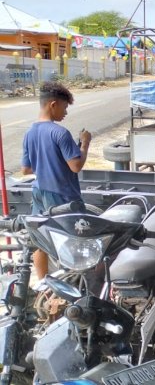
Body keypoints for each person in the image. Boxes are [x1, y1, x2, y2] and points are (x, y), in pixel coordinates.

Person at [21, 81, 91, 280]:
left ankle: (43, 282)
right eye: (64, 107)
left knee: (40, 239)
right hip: (63, 196)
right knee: (73, 240)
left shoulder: (30, 133)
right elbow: (76, 166)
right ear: (53, 104)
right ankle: (72, 286)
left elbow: (26, 169)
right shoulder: (60, 133)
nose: (65, 113)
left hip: (39, 192)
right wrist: (85, 143)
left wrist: (48, 163)